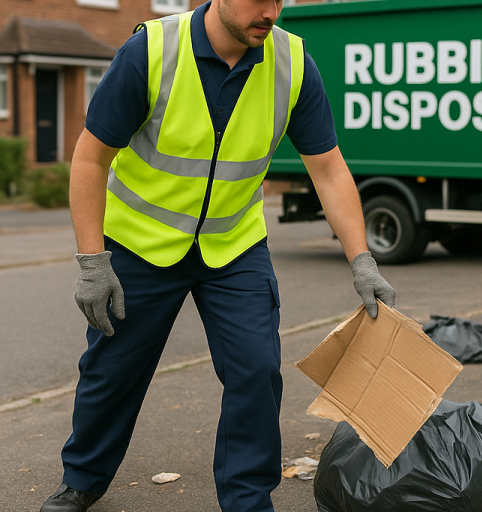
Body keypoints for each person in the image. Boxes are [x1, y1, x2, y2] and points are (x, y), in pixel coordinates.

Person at [39, 1, 395, 511]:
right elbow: (91, 157)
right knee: (113, 371)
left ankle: (248, 499)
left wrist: (362, 261)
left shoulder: (292, 63)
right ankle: (84, 478)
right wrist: (93, 262)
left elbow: (329, 170)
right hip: (141, 242)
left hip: (233, 243)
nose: (271, 11)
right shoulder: (152, 51)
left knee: (256, 370)